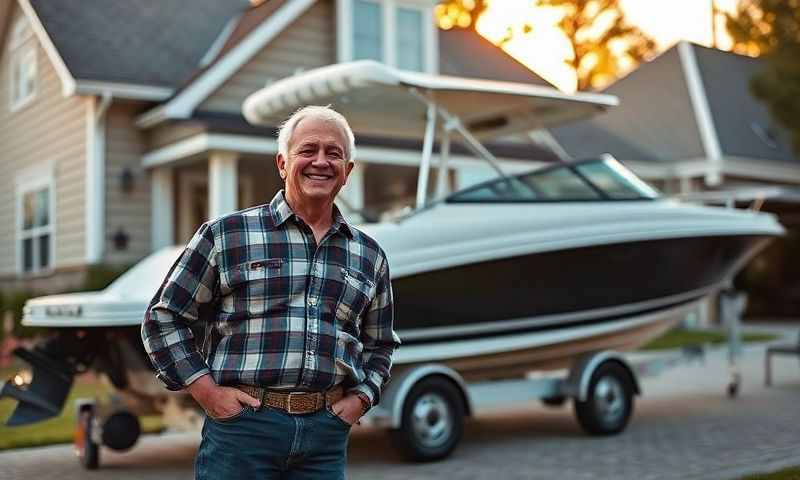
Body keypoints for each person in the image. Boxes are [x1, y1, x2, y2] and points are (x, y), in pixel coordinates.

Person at [141, 105, 400, 479]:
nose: (321, 161)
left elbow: (381, 344)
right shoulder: (226, 235)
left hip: (325, 436)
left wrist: (360, 400)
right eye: (308, 150)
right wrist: (208, 394)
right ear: (282, 163)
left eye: (334, 153)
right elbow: (163, 317)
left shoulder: (369, 255)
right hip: (244, 430)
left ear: (347, 171)